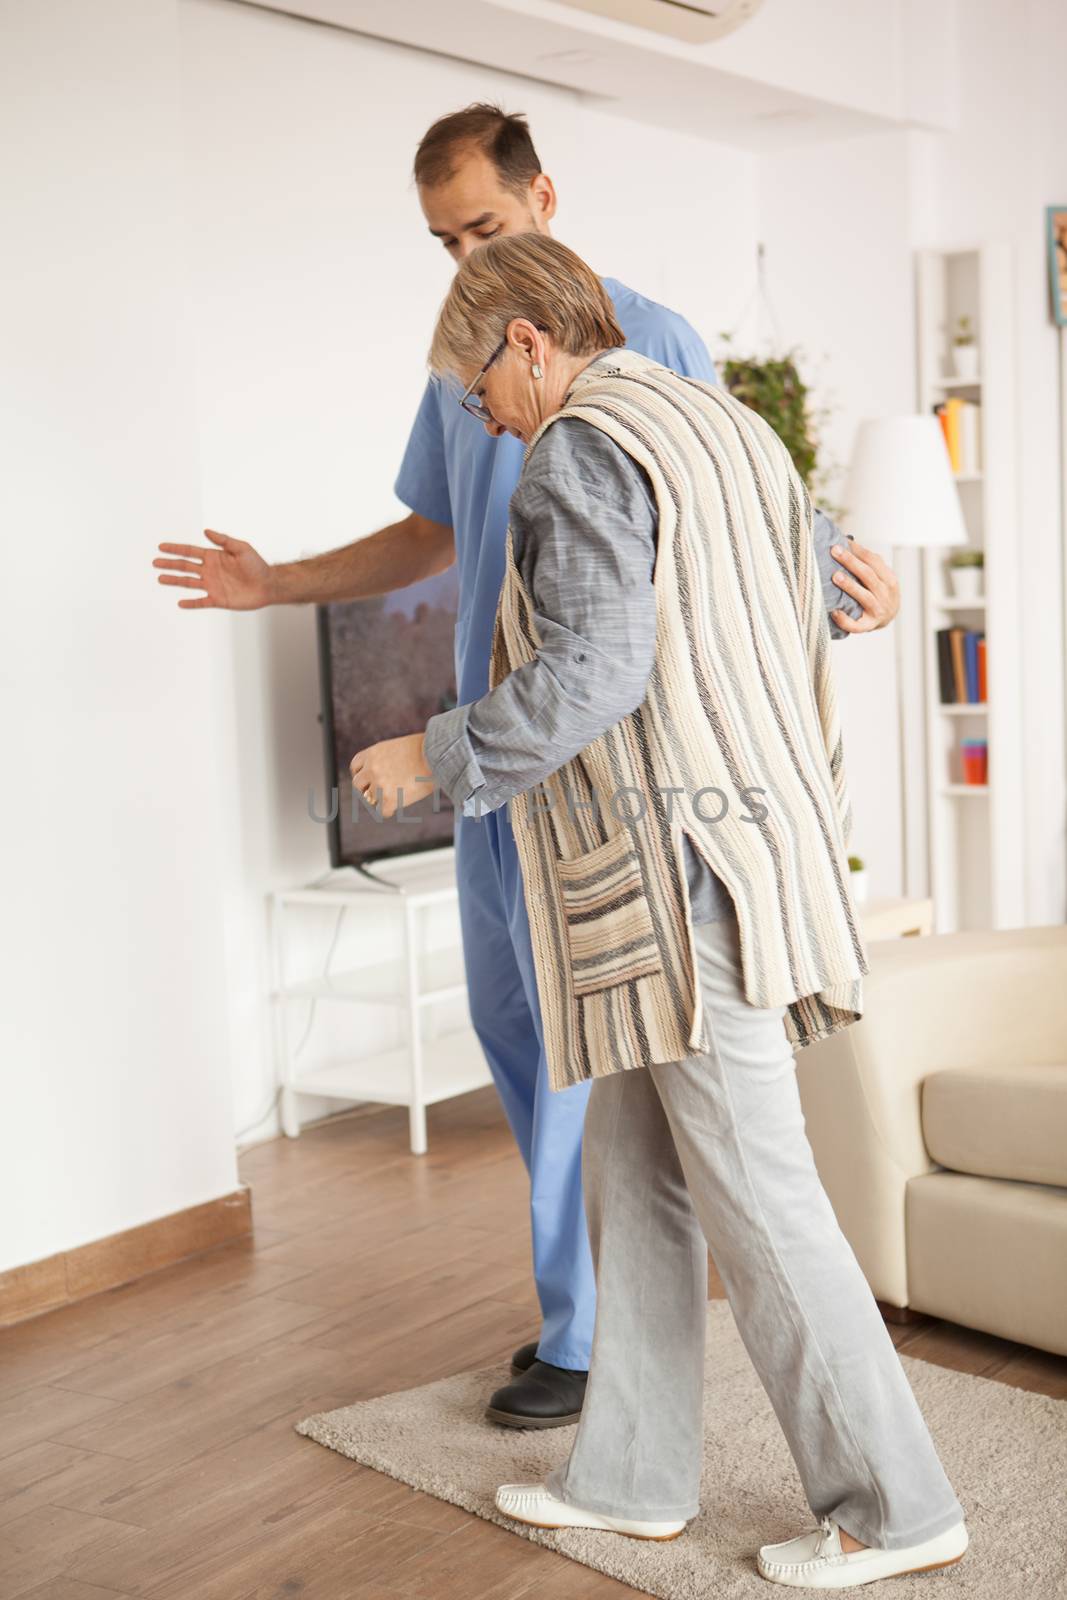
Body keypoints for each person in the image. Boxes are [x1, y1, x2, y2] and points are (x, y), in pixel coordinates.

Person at [153, 102, 902, 1429]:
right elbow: (429, 533)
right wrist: (277, 587)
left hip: (603, 772)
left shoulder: (648, 342)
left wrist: (847, 578)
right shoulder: (463, 359)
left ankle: (593, 1337)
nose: (462, 264)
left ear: (545, 201)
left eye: (483, 231)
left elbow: (731, 503)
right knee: (521, 1041)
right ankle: (593, 1328)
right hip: (497, 770)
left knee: (600, 1055)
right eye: (443, 241)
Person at [406, 230, 968, 1589]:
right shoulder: (720, 424)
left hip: (676, 888)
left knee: (766, 1202)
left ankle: (896, 1506)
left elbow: (593, 673)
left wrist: (434, 754)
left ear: (527, 344)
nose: (482, 420)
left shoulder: (580, 450)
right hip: (739, 860)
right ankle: (635, 1474)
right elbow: (785, 607)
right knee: (637, 1173)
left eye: (479, 390)